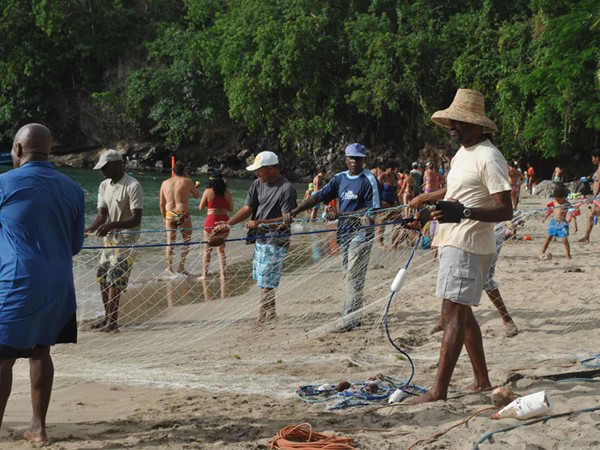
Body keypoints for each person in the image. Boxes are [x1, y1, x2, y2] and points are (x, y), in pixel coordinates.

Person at [407, 89, 512, 404]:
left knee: (452, 313)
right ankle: (481, 380)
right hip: (452, 240)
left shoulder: (489, 156)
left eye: (460, 122)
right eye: (452, 121)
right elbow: (455, 193)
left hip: (469, 245)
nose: (453, 127)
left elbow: (505, 209)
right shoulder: (462, 153)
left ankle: (437, 391)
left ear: (478, 126)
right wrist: (427, 211)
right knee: (462, 314)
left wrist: (463, 212)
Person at [0, 124, 85, 442]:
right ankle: (38, 427)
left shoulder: (4, 183)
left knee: (2, 356)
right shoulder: (73, 189)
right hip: (60, 284)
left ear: (18, 150)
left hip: (18, 281)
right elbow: (75, 245)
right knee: (40, 351)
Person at [288, 143, 381, 332]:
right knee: (348, 273)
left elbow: (373, 209)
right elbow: (318, 196)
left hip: (361, 233)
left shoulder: (369, 179)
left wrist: (340, 214)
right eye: (351, 158)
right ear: (346, 159)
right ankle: (355, 313)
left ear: (364, 160)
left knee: (354, 274)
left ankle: (349, 317)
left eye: (358, 158)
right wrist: (296, 210)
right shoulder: (339, 179)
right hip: (343, 233)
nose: (355, 161)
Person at [214, 151, 296, 324]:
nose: (256, 173)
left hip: (277, 240)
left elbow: (286, 220)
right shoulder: (257, 184)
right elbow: (247, 209)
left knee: (267, 279)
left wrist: (259, 222)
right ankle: (272, 315)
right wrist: (228, 224)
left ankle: (260, 318)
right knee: (264, 279)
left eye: (260, 170)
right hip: (260, 238)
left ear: (271, 168)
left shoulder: (286, 189)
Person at [85, 149, 143, 333]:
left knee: (114, 279)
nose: (104, 171)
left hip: (127, 240)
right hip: (109, 241)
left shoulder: (133, 185)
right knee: (102, 277)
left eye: (106, 167)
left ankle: (113, 323)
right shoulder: (104, 186)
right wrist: (89, 229)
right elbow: (102, 215)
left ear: (118, 165)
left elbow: (136, 219)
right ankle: (106, 318)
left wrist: (111, 225)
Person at [432, 222, 519, 338]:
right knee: (452, 273)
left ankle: (507, 320)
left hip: (486, 230)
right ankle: (443, 320)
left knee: (486, 277)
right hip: (458, 230)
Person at [159, 161, 200, 275]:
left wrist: (164, 218)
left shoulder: (164, 183)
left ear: (173, 171)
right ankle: (181, 266)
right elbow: (197, 195)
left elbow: (161, 204)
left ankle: (169, 268)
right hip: (182, 213)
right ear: (184, 171)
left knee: (170, 243)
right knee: (186, 241)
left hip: (170, 214)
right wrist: (191, 183)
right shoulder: (187, 181)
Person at [198, 171, 234, 282]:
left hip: (211, 221)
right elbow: (231, 209)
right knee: (221, 250)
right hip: (224, 221)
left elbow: (201, 207)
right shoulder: (227, 193)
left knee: (207, 250)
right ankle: (223, 275)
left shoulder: (208, 191)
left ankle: (204, 275)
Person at [540, 185, 572, 260]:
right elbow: (550, 210)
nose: (557, 201)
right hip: (553, 222)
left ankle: (568, 255)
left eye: (559, 199)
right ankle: (542, 252)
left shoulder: (567, 204)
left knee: (564, 240)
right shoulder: (554, 202)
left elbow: (572, 213)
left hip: (563, 223)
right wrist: (545, 217)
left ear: (564, 197)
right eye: (555, 199)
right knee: (548, 238)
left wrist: (574, 223)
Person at [376, 160, 400, 248]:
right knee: (382, 221)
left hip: (392, 202)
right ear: (389, 168)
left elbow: (395, 192)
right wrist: (379, 203)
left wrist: (398, 203)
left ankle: (394, 242)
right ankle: (380, 243)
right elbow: (376, 191)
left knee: (398, 221)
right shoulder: (382, 176)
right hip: (383, 202)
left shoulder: (394, 177)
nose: (394, 171)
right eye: (393, 169)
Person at [578, 148, 600, 243]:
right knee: (590, 215)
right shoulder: (598, 168)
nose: (592, 160)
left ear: (598, 157)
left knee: (598, 217)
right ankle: (586, 237)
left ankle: (586, 237)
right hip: (597, 196)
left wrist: (594, 196)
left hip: (598, 196)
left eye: (593, 158)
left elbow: (599, 183)